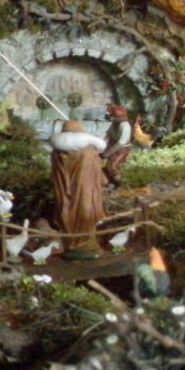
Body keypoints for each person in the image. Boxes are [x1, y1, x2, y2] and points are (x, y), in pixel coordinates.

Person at [49, 120, 107, 256]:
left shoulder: (56, 153)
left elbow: (54, 176)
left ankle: (71, 244)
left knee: (67, 216)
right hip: (85, 192)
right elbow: (98, 173)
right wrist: (102, 178)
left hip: (64, 196)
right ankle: (86, 246)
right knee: (86, 214)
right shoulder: (89, 152)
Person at [102, 105, 133, 188]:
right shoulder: (114, 124)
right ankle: (110, 182)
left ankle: (121, 184)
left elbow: (121, 143)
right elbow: (108, 136)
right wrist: (101, 146)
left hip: (121, 149)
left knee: (113, 166)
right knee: (107, 166)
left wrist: (107, 153)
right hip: (112, 145)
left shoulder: (125, 126)